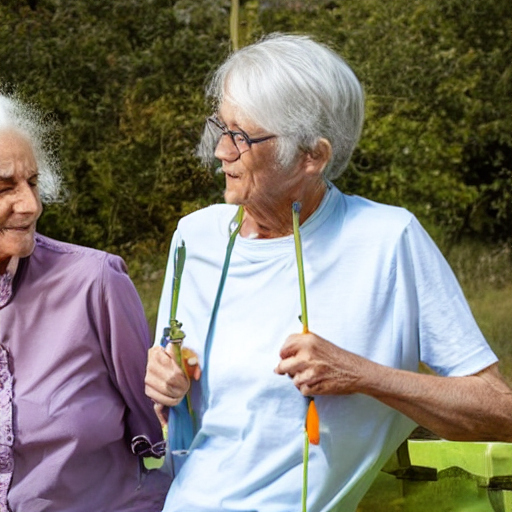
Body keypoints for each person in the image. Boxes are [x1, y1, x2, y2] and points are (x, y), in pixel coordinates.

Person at [144, 34, 512, 512]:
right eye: (221, 126)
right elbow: (181, 419)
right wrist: (165, 386)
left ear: (311, 156)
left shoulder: (387, 239)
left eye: (241, 136)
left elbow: (497, 411)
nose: (220, 151)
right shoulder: (195, 237)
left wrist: (360, 374)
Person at [0, 93, 171, 511]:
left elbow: (168, 425)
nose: (31, 205)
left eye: (33, 183)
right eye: (6, 187)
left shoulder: (94, 282)